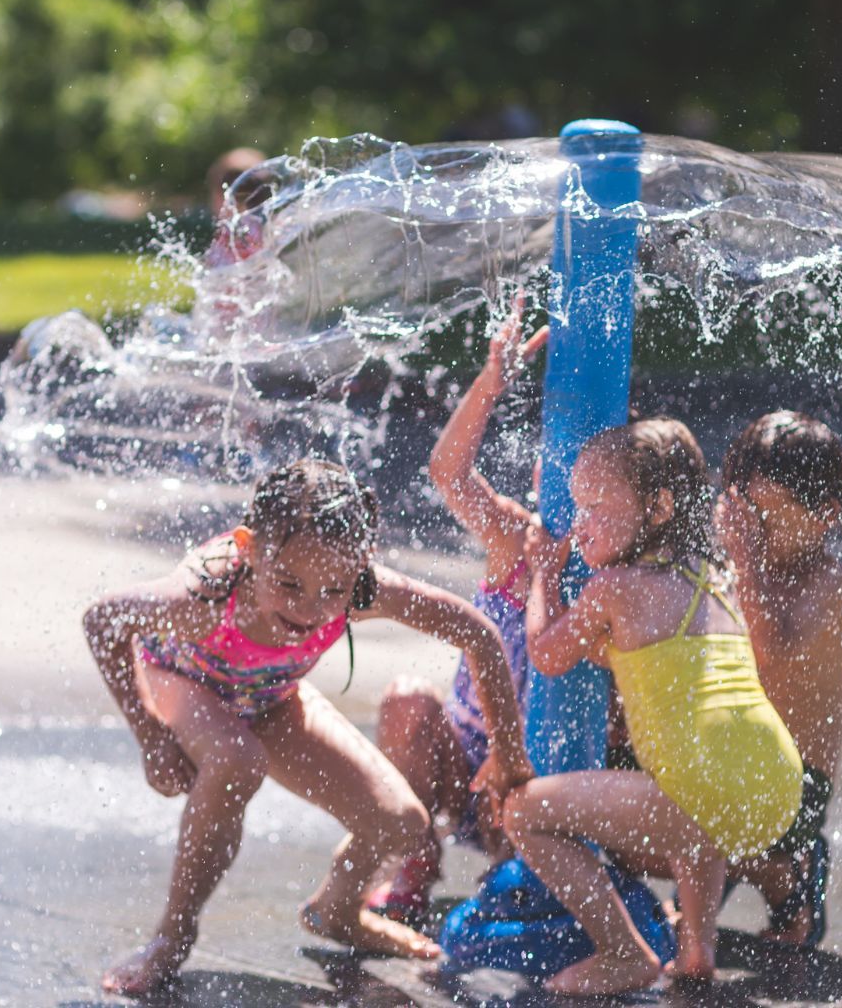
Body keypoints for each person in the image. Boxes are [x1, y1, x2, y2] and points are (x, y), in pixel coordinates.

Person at [83, 460, 533, 995]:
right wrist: (152, 735)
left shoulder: (362, 589)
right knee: (236, 761)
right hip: (187, 682)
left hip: (270, 694)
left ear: (360, 566)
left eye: (332, 591)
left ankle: (338, 911)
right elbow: (104, 619)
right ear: (248, 548)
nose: (309, 608)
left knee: (402, 823)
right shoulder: (201, 597)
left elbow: (478, 633)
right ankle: (173, 936)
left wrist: (508, 756)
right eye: (289, 583)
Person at [504, 419, 805, 995]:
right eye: (575, 506)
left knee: (523, 812)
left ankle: (623, 954)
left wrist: (543, 575)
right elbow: (624, 655)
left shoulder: (614, 587)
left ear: (659, 506)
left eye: (595, 507)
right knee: (699, 818)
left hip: (701, 792)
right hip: (776, 787)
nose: (580, 524)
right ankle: (697, 950)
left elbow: (546, 654)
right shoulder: (713, 577)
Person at [366, 302, 549, 921]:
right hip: (465, 764)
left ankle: (526, 874)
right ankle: (414, 857)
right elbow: (448, 471)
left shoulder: (618, 580)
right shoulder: (516, 540)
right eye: (553, 471)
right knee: (407, 700)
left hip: (543, 777)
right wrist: (487, 387)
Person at [714, 411, 842, 948]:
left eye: (767, 520)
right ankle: (719, 877)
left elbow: (768, 656)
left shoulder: (835, 582)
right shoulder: (737, 572)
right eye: (743, 517)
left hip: (794, 789)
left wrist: (745, 563)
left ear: (826, 515)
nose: (754, 535)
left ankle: (791, 878)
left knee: (709, 834)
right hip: (731, 771)